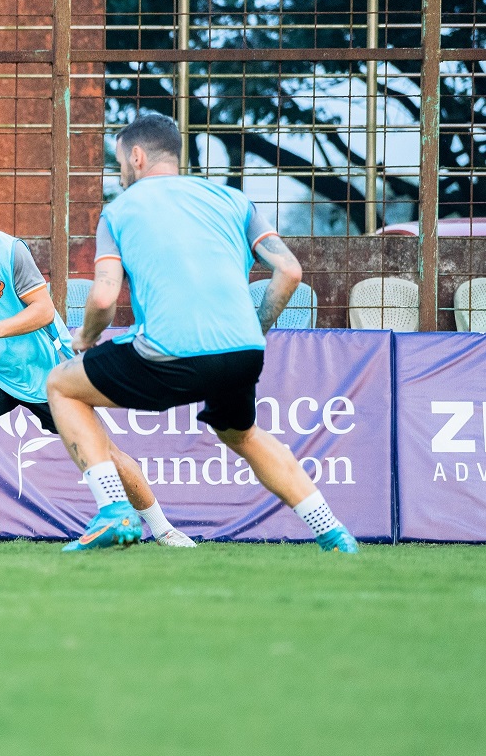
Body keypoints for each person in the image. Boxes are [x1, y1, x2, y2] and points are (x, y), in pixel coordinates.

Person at [44, 112, 358, 553]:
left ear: (136, 156)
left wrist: (84, 340)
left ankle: (114, 511)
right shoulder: (233, 200)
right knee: (242, 435)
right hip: (243, 350)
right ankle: (334, 534)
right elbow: (289, 271)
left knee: (61, 385)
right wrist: (255, 328)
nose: (120, 173)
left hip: (168, 353)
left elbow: (101, 299)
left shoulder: (120, 211)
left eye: (119, 163)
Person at [0, 170, 194, 549]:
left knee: (106, 453)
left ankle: (163, 529)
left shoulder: (8, 251)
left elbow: (44, 310)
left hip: (50, 373)